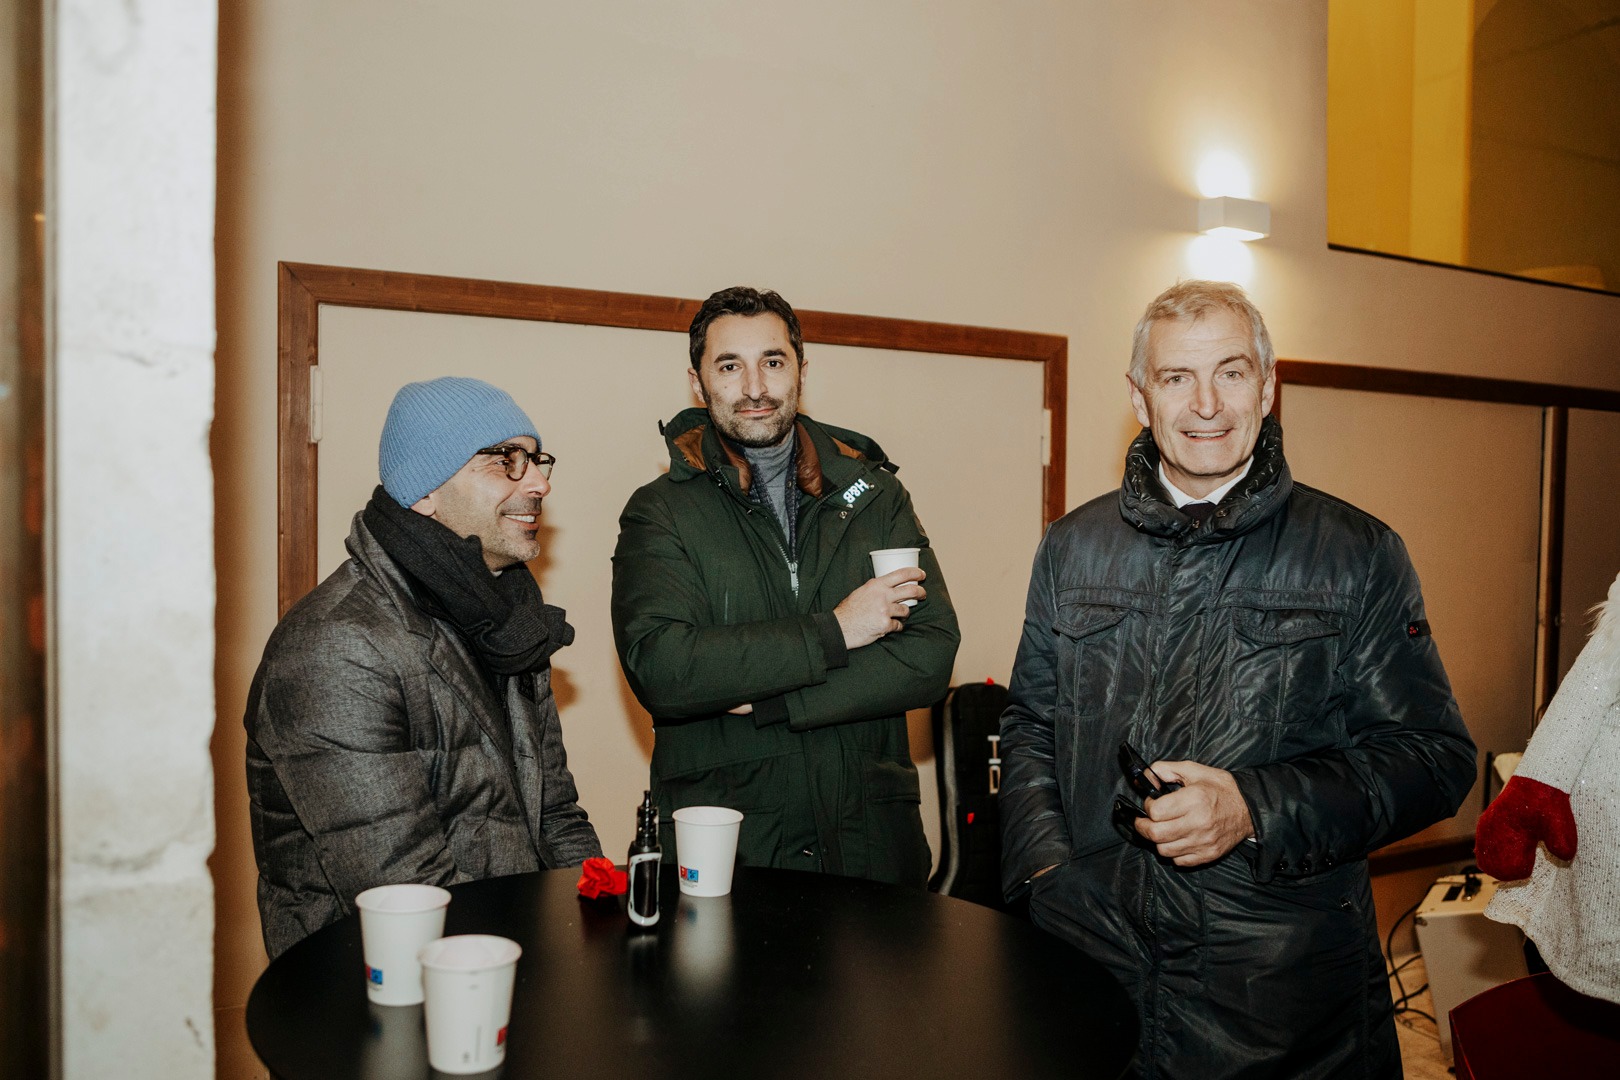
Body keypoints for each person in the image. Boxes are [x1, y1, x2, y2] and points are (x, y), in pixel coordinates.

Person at [999, 280, 1476, 1077]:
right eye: (1176, 377)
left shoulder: (1356, 554)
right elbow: (1031, 726)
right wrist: (1048, 876)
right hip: (1094, 972)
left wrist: (1253, 808)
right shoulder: (1073, 547)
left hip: (1280, 1004)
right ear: (1140, 396)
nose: (1206, 405)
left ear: (1268, 384)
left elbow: (1435, 759)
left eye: (1230, 372)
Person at [611, 286, 960, 886]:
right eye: (730, 366)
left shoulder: (876, 494)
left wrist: (774, 701)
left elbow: (929, 655)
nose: (755, 387)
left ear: (801, 369)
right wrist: (837, 631)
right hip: (730, 851)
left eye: (772, 361)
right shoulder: (660, 511)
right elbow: (665, 668)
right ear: (698, 383)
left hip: (871, 847)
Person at [246, 376, 602, 958]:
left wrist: (602, 932)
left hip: (505, 953)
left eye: (536, 460)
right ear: (425, 490)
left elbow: (556, 816)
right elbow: (406, 891)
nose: (539, 482)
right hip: (371, 983)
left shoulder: (509, 621)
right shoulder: (338, 648)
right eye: (506, 460)